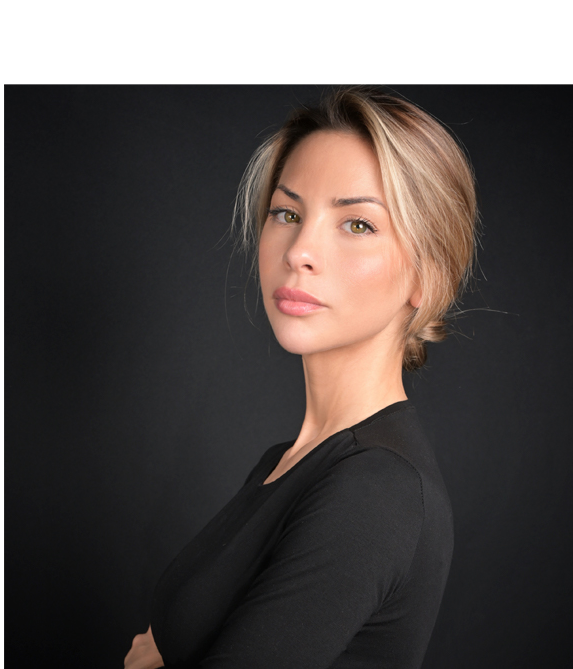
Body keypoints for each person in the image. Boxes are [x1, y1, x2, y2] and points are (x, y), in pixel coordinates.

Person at [124, 87, 478, 669]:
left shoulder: (377, 491)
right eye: (287, 214)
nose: (299, 251)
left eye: (357, 224)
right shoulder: (287, 462)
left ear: (427, 276)